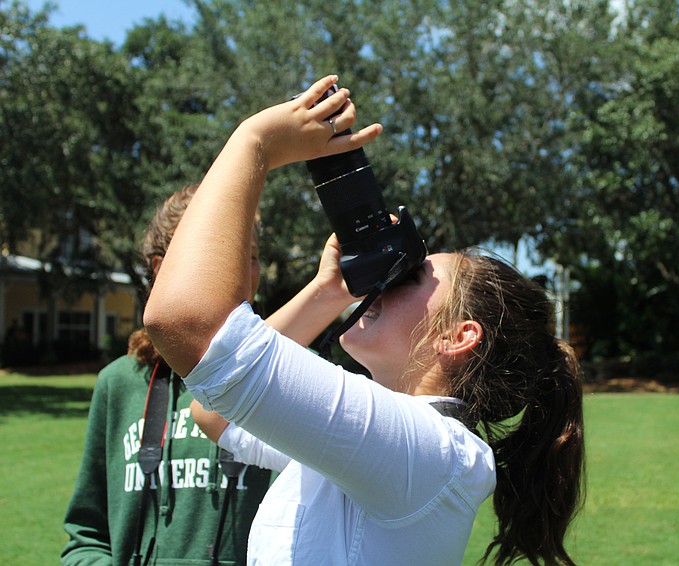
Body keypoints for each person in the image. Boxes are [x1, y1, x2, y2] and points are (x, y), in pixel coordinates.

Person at [143, 75, 586, 566]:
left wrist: (256, 141)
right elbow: (214, 413)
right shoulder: (391, 446)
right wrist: (329, 291)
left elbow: (191, 326)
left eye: (411, 275)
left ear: (458, 336)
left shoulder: (428, 452)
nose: (384, 284)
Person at [61, 184, 273, 566]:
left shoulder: (287, 378)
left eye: (251, 255)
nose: (241, 270)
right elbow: (86, 538)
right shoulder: (119, 383)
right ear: (161, 268)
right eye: (221, 252)